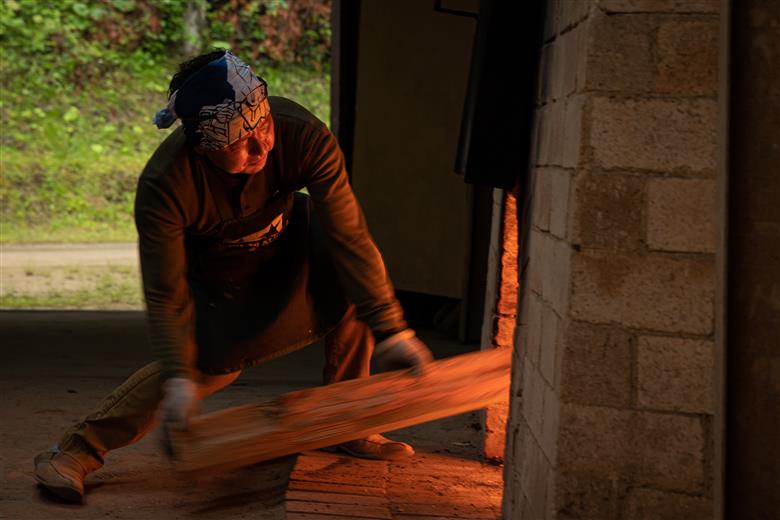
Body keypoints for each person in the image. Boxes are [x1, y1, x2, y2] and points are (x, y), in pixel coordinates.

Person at [34, 50, 434, 503]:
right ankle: (75, 450)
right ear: (202, 145)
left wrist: (392, 329)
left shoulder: (302, 134)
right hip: (221, 268)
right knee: (207, 371)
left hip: (293, 237)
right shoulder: (166, 186)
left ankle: (345, 420)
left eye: (262, 127)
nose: (261, 147)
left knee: (354, 281)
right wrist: (182, 376)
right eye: (238, 141)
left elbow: (349, 235)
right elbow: (167, 294)